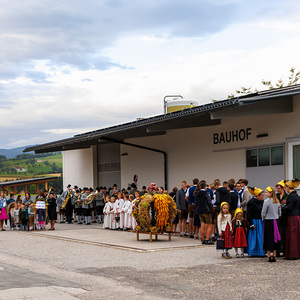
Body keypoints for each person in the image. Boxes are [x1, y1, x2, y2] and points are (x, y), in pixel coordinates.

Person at [262, 186, 281, 262]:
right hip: (275, 221)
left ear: (270, 193)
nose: (265, 193)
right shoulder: (277, 201)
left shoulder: (266, 201)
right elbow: (280, 213)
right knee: (275, 238)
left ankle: (269, 256)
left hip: (268, 221)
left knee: (268, 238)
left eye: (267, 192)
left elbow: (263, 212)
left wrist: (263, 218)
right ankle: (275, 255)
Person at [283, 180, 300, 260]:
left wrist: (283, 207)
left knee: (291, 235)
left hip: (291, 217)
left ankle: (292, 254)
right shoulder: (297, 195)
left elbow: (289, 208)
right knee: (296, 235)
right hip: (297, 217)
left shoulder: (290, 196)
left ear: (288, 188)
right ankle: (297, 253)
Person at [247, 187, 266, 257]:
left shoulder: (263, 202)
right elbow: (248, 214)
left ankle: (261, 251)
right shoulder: (251, 202)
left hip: (260, 221)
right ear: (257, 195)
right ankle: (253, 252)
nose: (263, 197)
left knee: (260, 237)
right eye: (262, 195)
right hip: (254, 221)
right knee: (254, 237)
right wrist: (251, 223)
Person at [276, 180, 288, 257]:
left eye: (279, 188)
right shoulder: (276, 196)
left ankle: (284, 250)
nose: (277, 190)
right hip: (277, 217)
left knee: (283, 233)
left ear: (282, 188)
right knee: (277, 234)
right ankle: (277, 250)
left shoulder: (287, 196)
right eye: (276, 188)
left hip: (284, 217)